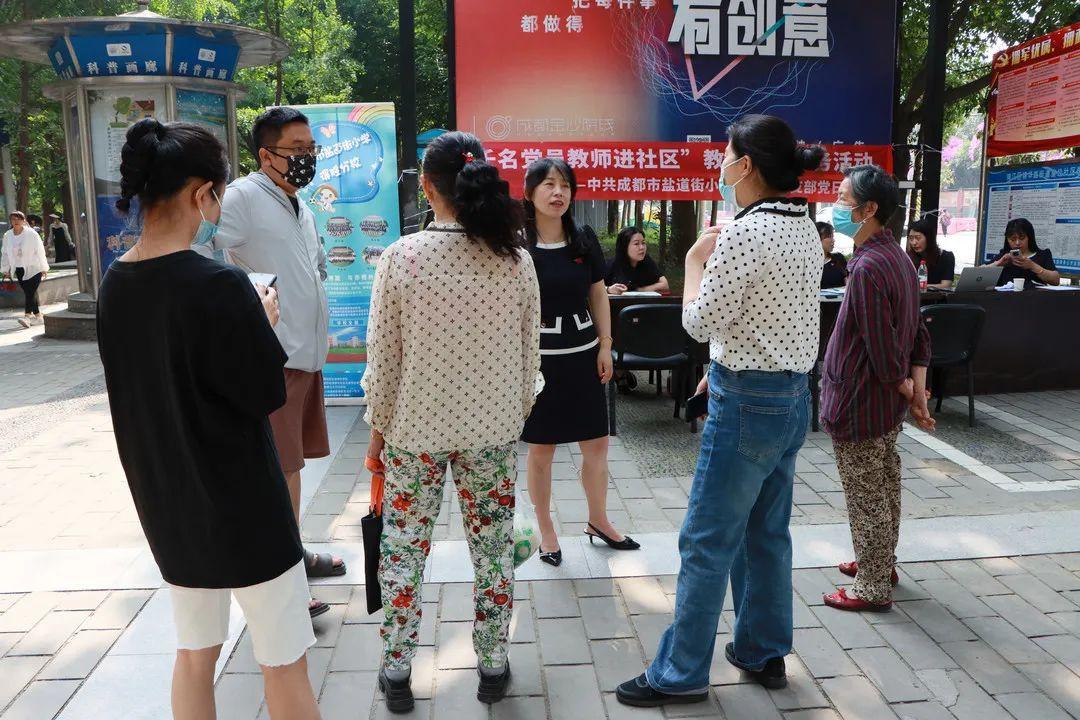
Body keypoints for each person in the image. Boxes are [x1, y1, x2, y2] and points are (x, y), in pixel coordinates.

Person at [97, 119, 321, 720]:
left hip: (168, 501)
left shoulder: (116, 283)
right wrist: (262, 323)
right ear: (201, 195)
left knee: (196, 654)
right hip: (244, 502)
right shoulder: (220, 284)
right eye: (217, 195)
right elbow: (261, 392)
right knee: (284, 659)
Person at [616, 114, 823, 708]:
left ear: (746, 165)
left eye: (726, 156)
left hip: (746, 402)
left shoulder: (744, 234)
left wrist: (691, 262)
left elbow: (698, 322)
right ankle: (763, 650)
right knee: (767, 532)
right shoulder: (805, 230)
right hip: (791, 396)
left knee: (706, 540)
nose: (721, 166)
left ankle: (680, 671)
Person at [362, 131, 540, 711]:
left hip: (414, 432)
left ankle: (397, 670)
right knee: (493, 550)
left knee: (403, 551)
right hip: (491, 434)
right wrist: (510, 416)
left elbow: (384, 363)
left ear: (427, 187)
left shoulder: (401, 258)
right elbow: (529, 359)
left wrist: (378, 433)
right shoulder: (515, 260)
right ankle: (492, 664)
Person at [193, 106, 345, 617]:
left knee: (290, 469)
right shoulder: (242, 197)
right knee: (279, 473)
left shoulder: (298, 203)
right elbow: (201, 248)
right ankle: (285, 585)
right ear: (265, 155)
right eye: (297, 150)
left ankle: (293, 556)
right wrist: (242, 302)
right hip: (274, 357)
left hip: (304, 356)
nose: (307, 158)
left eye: (311, 149)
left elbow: (312, 267)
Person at [820, 165, 935, 613]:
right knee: (885, 484)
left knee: (866, 493)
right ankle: (879, 562)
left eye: (843, 198)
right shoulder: (898, 258)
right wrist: (916, 393)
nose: (837, 205)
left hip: (861, 402)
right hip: (881, 404)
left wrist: (910, 391)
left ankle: (871, 585)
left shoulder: (869, 266)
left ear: (869, 209)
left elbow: (884, 352)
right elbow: (919, 332)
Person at [521, 158, 638, 568]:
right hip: (540, 363)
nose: (558, 193)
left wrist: (606, 345)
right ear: (529, 192)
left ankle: (598, 520)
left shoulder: (582, 238)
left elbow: (598, 293)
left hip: (585, 355)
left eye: (565, 185)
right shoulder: (517, 245)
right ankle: (546, 532)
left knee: (597, 443)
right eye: (549, 184)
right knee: (542, 450)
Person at [1, 210, 49, 328]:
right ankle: (38, 316)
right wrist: (6, 269)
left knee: (29, 292)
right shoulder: (8, 235)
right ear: (11, 221)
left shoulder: (31, 234)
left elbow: (40, 250)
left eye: (19, 219)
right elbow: (5, 253)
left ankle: (27, 317)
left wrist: (43, 267)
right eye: (13, 219)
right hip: (19, 268)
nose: (16, 221)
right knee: (30, 292)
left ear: (23, 221)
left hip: (35, 267)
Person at [985, 218, 1060, 287]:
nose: (1017, 243)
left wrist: (1032, 266)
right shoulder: (1004, 256)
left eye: (1022, 238)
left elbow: (1056, 280)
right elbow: (980, 273)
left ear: (1029, 238)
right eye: (1013, 239)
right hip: (1006, 296)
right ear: (1007, 240)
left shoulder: (1043, 255)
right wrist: (998, 263)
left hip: (1035, 296)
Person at [606, 226, 669, 295]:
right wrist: (609, 289)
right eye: (636, 244)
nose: (641, 247)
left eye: (643, 243)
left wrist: (638, 290)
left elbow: (665, 285)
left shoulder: (647, 261)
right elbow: (597, 287)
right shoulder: (611, 264)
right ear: (624, 247)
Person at [906, 216, 955, 289]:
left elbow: (946, 285)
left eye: (918, 238)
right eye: (911, 238)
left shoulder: (946, 257)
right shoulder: (907, 258)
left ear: (929, 238)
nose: (914, 243)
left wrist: (920, 286)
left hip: (937, 296)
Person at [816, 221, 847, 289]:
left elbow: (848, 281)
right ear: (816, 238)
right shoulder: (808, 263)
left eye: (833, 236)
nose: (833, 240)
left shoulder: (839, 258)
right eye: (829, 236)